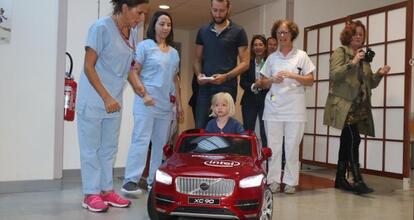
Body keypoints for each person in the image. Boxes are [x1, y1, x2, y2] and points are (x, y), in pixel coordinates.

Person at [76, 0, 148, 212]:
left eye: (145, 13)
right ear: (125, 7)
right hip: (94, 100)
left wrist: (139, 88)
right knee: (91, 150)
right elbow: (88, 67)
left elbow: (128, 69)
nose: (142, 18)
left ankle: (106, 190)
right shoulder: (101, 28)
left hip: (114, 103)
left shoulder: (132, 34)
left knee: (108, 149)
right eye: (140, 12)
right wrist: (106, 97)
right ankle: (90, 193)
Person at [323, 20, 390, 195]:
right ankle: (357, 180)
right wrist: (352, 62)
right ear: (348, 36)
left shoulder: (364, 56)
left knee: (347, 141)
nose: (358, 37)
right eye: (355, 33)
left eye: (361, 34)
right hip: (343, 105)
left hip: (359, 106)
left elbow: (370, 83)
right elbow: (334, 74)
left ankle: (340, 178)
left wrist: (379, 74)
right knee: (354, 139)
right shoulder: (341, 52)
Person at [121, 11, 183, 195]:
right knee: (140, 140)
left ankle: (154, 181)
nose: (165, 28)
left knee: (159, 144)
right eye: (161, 24)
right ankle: (130, 180)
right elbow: (134, 72)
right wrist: (144, 94)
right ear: (154, 25)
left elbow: (175, 79)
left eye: (168, 25)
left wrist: (179, 105)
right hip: (145, 103)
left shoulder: (174, 53)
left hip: (165, 106)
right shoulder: (145, 46)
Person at [256, 20, 315, 194]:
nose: (282, 36)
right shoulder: (272, 58)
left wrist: (293, 75)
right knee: (273, 147)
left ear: (292, 35)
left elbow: (310, 80)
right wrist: (272, 80)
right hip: (273, 108)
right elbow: (262, 83)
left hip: (295, 109)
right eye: (279, 33)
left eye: (285, 33)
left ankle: (290, 181)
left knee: (291, 146)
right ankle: (273, 180)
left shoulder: (301, 56)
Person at [193, 0, 249, 129]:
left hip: (227, 88)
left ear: (228, 9)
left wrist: (226, 76)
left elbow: (245, 63)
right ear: (211, 8)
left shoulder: (238, 31)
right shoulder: (203, 31)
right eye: (215, 10)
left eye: (222, 11)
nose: (218, 14)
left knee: (224, 128)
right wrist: (198, 75)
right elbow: (196, 60)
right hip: (205, 88)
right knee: (201, 128)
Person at [240, 34, 268, 147]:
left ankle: (267, 159)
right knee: (248, 131)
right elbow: (242, 83)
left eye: (261, 44)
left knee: (265, 131)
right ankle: (248, 158)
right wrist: (254, 85)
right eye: (255, 45)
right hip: (249, 101)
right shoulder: (247, 63)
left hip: (266, 101)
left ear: (265, 47)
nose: (258, 47)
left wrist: (264, 84)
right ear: (252, 48)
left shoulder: (270, 62)